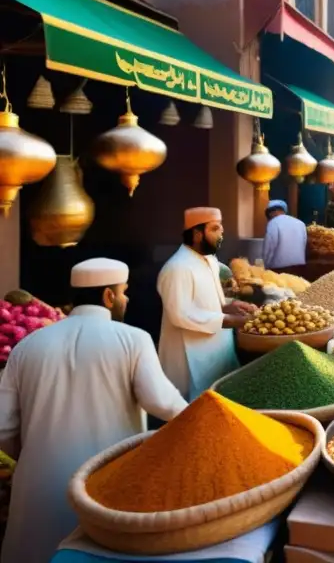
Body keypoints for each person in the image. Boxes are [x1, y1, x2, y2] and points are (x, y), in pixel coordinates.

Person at [0, 259, 187, 563]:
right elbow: (163, 403)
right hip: (104, 486)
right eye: (123, 292)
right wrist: (204, 417)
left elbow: (3, 428)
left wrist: (35, 458)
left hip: (37, 492)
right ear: (108, 296)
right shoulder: (133, 339)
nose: (126, 299)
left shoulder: (27, 346)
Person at [157, 208, 256, 401]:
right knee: (194, 412)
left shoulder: (209, 260)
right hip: (191, 356)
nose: (222, 234)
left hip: (218, 349)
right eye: (215, 229)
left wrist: (230, 306)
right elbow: (180, 314)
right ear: (197, 234)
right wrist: (229, 320)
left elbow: (208, 300)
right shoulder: (177, 268)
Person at [262, 199, 307, 269]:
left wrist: (266, 266)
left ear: (270, 213)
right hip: (300, 267)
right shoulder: (301, 224)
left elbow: (268, 249)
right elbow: (303, 245)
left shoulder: (273, 223)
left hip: (279, 269)